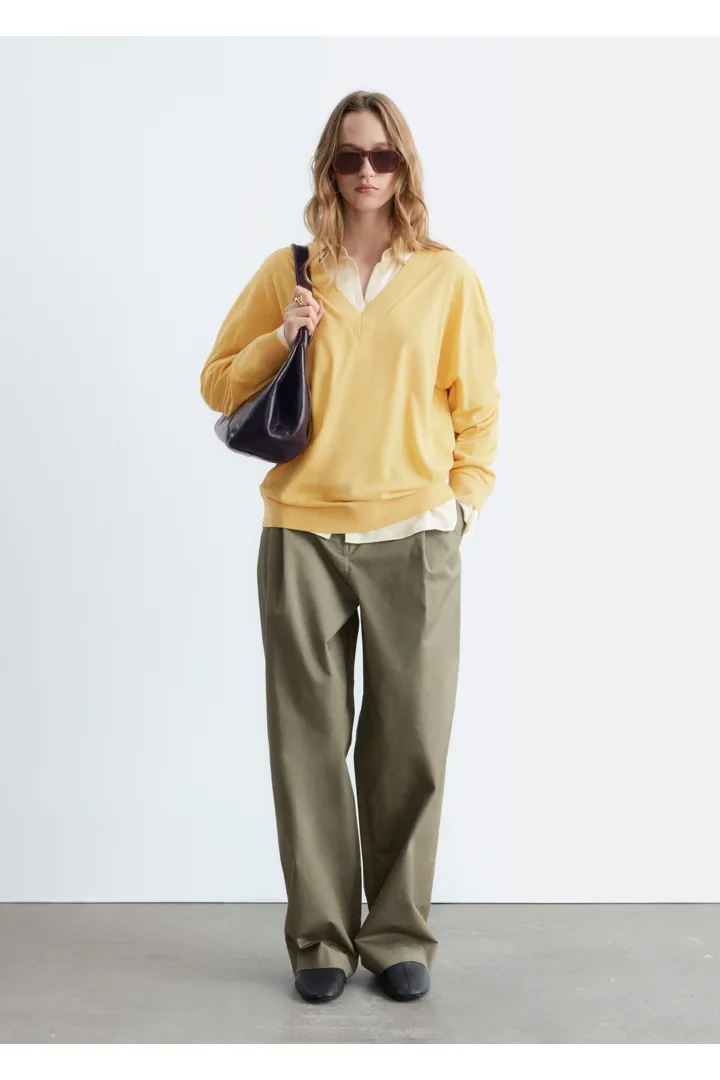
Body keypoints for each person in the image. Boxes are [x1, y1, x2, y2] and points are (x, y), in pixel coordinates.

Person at [200, 90, 500, 1005]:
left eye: (383, 157)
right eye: (349, 158)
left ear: (405, 166)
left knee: (411, 742)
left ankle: (398, 934)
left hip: (416, 536)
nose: (366, 173)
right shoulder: (291, 271)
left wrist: (461, 508)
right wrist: (281, 335)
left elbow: (478, 411)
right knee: (307, 744)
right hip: (301, 532)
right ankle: (320, 942)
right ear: (327, 168)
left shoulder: (446, 277)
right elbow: (218, 384)